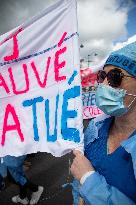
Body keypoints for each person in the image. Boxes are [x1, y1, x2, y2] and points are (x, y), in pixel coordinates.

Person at [70, 41, 136, 205]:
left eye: (115, 77)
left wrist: (88, 180)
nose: (104, 85)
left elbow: (85, 177)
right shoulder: (95, 127)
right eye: (102, 76)